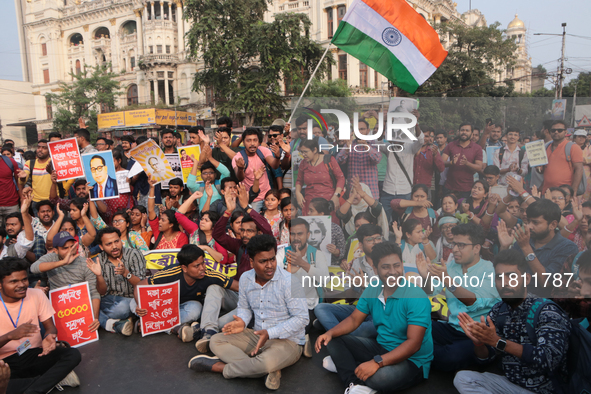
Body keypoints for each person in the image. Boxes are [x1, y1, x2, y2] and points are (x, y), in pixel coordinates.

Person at [189, 234, 308, 391]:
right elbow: (244, 308)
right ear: (251, 262)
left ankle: (220, 367)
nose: (270, 265)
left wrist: (270, 332)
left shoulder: (289, 282)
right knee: (216, 340)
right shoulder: (246, 278)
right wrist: (243, 321)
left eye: (272, 259)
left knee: (265, 362)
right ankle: (263, 369)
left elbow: (302, 318)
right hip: (256, 335)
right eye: (263, 261)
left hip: (287, 341)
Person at [315, 242, 433, 394]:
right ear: (375, 269)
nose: (393, 272)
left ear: (402, 265)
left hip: (413, 360)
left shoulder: (416, 296)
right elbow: (353, 320)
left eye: (397, 265)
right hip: (381, 347)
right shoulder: (374, 288)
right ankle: (353, 384)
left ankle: (346, 365)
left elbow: (414, 344)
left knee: (378, 378)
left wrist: (377, 363)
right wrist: (329, 333)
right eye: (385, 267)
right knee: (334, 339)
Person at [454, 249, 571, 394]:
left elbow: (549, 360)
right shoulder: (499, 310)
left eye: (511, 276)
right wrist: (479, 342)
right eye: (499, 277)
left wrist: (498, 342)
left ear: (527, 279)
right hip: (511, 385)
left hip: (543, 390)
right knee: (463, 378)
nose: (504, 283)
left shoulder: (547, 311)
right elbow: (486, 359)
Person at [415, 223, 500, 372]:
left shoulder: (490, 270)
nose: (454, 249)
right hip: (451, 326)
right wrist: (425, 276)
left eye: (461, 245)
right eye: (454, 244)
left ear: (476, 248)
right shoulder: (452, 264)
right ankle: (421, 352)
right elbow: (432, 290)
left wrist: (448, 280)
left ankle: (418, 354)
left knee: (451, 358)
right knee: (413, 326)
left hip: (476, 334)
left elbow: (474, 302)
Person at [0, 257, 81, 393]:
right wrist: (10, 336)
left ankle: (33, 388)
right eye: (14, 281)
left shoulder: (36, 294)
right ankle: (49, 382)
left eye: (24, 279)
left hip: (34, 354)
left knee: (73, 354)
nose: (21, 285)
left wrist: (49, 336)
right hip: (5, 363)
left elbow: (50, 327)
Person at [133, 244, 239, 342]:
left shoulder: (209, 274)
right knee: (132, 304)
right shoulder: (171, 273)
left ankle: (150, 325)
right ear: (184, 268)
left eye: (203, 263)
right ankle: (172, 328)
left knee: (196, 309)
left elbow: (237, 286)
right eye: (196, 266)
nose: (202, 268)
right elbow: (140, 285)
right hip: (163, 307)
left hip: (183, 309)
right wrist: (139, 305)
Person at [314, 224, 383, 342]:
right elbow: (350, 298)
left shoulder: (390, 262)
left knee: (362, 330)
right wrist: (355, 286)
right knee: (320, 309)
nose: (375, 242)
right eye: (370, 240)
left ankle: (337, 334)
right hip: (359, 311)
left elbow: (389, 299)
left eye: (378, 238)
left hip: (381, 314)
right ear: (360, 245)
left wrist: (365, 286)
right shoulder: (356, 263)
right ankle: (343, 335)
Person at [499, 199, 579, 293]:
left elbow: (546, 282)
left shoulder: (567, 247)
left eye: (535, 222)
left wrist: (526, 248)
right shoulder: (523, 241)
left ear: (553, 225)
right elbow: (502, 274)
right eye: (528, 221)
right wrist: (504, 247)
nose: (529, 226)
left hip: (543, 302)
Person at [30, 231, 101, 331]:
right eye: (65, 248)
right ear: (55, 250)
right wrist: (62, 263)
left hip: (81, 308)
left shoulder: (84, 263)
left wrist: (95, 318)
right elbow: (34, 268)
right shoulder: (51, 258)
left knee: (100, 315)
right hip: (58, 308)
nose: (70, 250)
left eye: (72, 246)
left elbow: (93, 293)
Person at [86, 227, 147, 336]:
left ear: (120, 240)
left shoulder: (134, 254)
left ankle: (118, 320)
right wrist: (99, 276)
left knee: (124, 307)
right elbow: (102, 292)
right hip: (111, 300)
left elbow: (142, 284)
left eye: (116, 241)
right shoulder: (99, 261)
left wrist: (126, 273)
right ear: (101, 247)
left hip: (135, 298)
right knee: (90, 305)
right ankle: (111, 323)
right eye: (109, 244)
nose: (114, 247)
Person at [212, 185, 273, 281]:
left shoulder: (267, 247)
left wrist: (246, 207)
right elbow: (217, 234)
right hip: (239, 290)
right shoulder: (239, 245)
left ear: (259, 233)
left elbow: (267, 229)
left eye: (250, 231)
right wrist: (228, 211)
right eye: (242, 230)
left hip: (260, 291)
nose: (244, 234)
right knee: (215, 287)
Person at [381, 110, 424, 222]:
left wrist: (416, 123)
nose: (397, 136)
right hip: (387, 191)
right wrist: (384, 122)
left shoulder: (411, 147)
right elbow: (378, 141)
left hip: (405, 191)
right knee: (384, 220)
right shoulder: (388, 147)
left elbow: (421, 140)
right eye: (395, 133)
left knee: (406, 221)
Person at [232, 128, 280, 212]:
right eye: (248, 140)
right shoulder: (238, 157)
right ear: (243, 142)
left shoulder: (263, 151)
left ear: (259, 142)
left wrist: (277, 157)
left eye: (255, 140)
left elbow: (274, 165)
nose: (252, 143)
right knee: (253, 222)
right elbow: (239, 178)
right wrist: (240, 168)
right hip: (252, 199)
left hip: (267, 197)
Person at [295, 138, 344, 218]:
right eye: (301, 152)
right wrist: (298, 192)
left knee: (329, 227)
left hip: (328, 201)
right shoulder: (303, 163)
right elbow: (299, 180)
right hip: (309, 202)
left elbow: (341, 178)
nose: (303, 155)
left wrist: (336, 195)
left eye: (305, 152)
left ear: (314, 150)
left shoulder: (329, 160)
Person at [335, 119, 382, 199]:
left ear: (368, 130)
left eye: (362, 129)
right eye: (357, 129)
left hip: (371, 191)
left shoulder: (373, 143)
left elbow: (377, 159)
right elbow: (338, 161)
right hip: (354, 193)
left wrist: (365, 145)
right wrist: (347, 149)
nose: (359, 131)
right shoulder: (349, 144)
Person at [337, 176, 388, 241]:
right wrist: (352, 197)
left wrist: (362, 194)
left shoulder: (370, 209)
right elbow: (339, 214)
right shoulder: (348, 208)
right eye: (352, 192)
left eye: (358, 193)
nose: (355, 194)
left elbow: (378, 208)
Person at [441, 123, 484, 199]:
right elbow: (441, 162)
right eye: (462, 130)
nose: (464, 132)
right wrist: (451, 162)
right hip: (450, 187)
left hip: (467, 188)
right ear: (459, 131)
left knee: (463, 210)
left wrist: (467, 163)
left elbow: (479, 167)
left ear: (471, 133)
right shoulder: (451, 145)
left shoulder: (477, 148)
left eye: (467, 130)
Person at [540, 120, 584, 193]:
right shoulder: (546, 147)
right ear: (550, 132)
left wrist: (573, 191)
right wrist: (538, 168)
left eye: (559, 130)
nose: (556, 132)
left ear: (565, 132)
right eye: (553, 130)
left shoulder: (573, 147)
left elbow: (579, 170)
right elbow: (543, 171)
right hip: (547, 191)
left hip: (565, 193)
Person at [147, 175, 189, 249]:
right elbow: (150, 210)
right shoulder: (157, 231)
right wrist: (152, 188)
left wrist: (177, 206)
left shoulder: (182, 237)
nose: (159, 221)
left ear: (171, 225)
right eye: (160, 219)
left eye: (163, 220)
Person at [308, 198, 346, 266]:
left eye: (311, 211)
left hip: (330, 268)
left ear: (321, 214)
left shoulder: (335, 229)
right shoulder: (303, 227)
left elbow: (343, 252)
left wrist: (335, 251)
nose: (308, 213)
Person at [413, 128, 445, 199]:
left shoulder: (432, 151)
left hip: (425, 188)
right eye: (422, 136)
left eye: (426, 136)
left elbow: (441, 169)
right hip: (409, 187)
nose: (424, 138)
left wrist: (435, 156)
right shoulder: (410, 150)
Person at [1, 196, 34, 260]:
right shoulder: (6, 242)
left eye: (13, 224)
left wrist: (24, 213)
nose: (9, 227)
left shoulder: (36, 238)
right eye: (7, 225)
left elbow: (28, 240)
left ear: (23, 226)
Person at [0, 145, 21, 228]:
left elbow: (18, 181)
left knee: (14, 233)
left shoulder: (10, 162)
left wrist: (22, 199)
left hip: (12, 204)